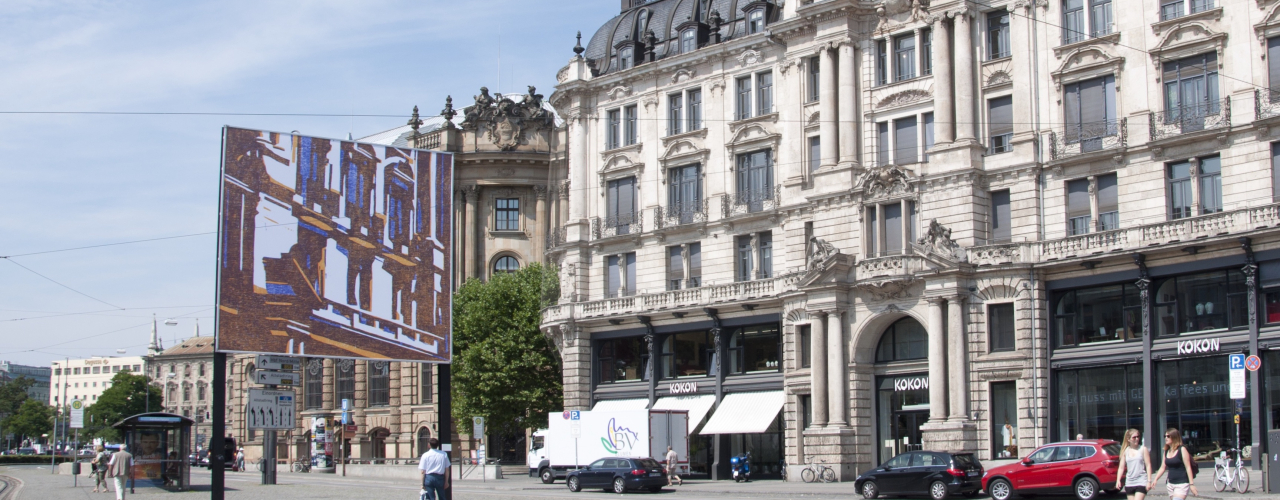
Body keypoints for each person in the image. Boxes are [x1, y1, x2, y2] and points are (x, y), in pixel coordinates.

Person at [1152, 428, 1198, 500]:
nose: (1166, 438)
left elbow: (1188, 467)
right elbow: (1163, 467)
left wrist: (1191, 484)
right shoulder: (1166, 451)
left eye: (1168, 436)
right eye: (1165, 436)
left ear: (1174, 437)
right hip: (1170, 484)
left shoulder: (1182, 450)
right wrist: (1155, 479)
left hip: (1182, 484)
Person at [1115, 429, 1153, 500]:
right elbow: (1121, 467)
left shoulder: (1143, 449)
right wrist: (1118, 480)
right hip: (1130, 482)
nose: (1137, 439)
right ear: (1128, 439)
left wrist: (1149, 481)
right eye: (1134, 437)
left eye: (1138, 437)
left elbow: (1148, 465)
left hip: (1141, 481)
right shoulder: (1125, 451)